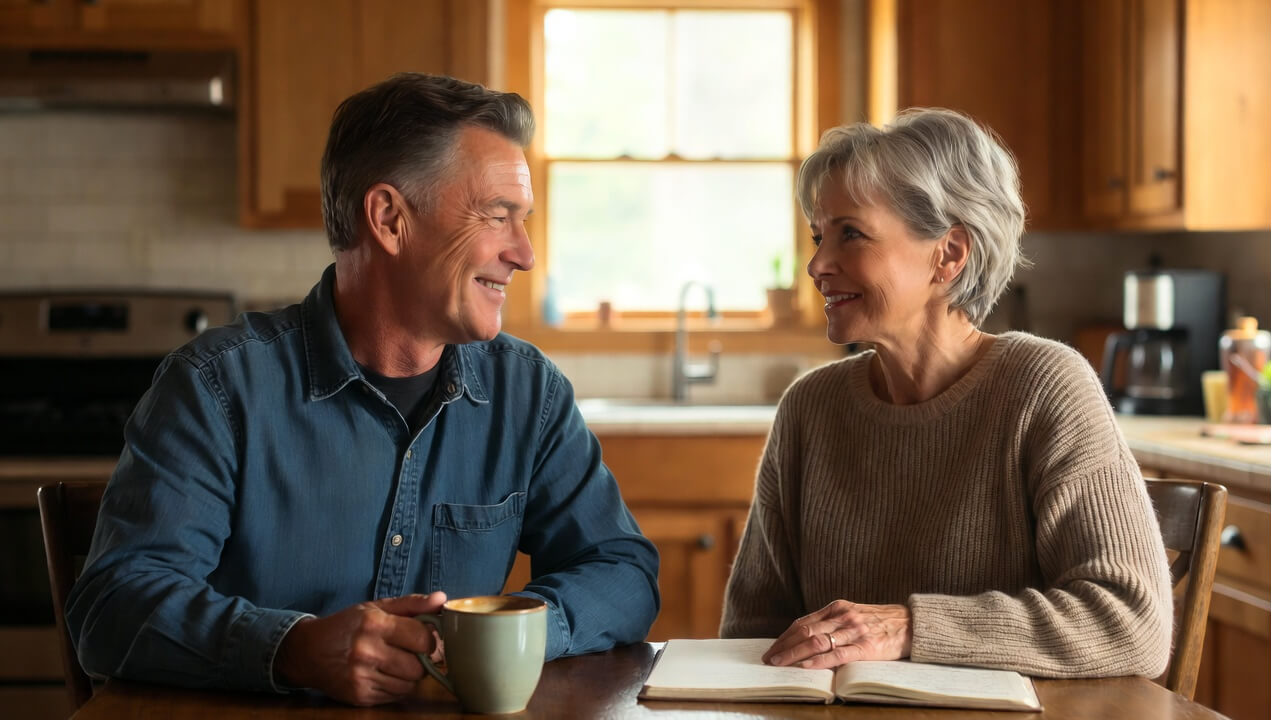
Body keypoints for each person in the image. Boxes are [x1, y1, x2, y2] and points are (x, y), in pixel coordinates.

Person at [66, 73, 660, 706]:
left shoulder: (529, 395)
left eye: (524, 221)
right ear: (389, 218)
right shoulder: (217, 388)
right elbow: (112, 608)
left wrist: (503, 629)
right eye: (496, 216)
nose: (525, 253)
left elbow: (623, 571)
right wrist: (291, 648)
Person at [720, 108, 1173, 679]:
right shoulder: (810, 407)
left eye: (850, 234)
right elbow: (752, 634)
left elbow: (1131, 624)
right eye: (819, 237)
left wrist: (909, 628)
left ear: (949, 254)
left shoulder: (1045, 387)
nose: (817, 265)